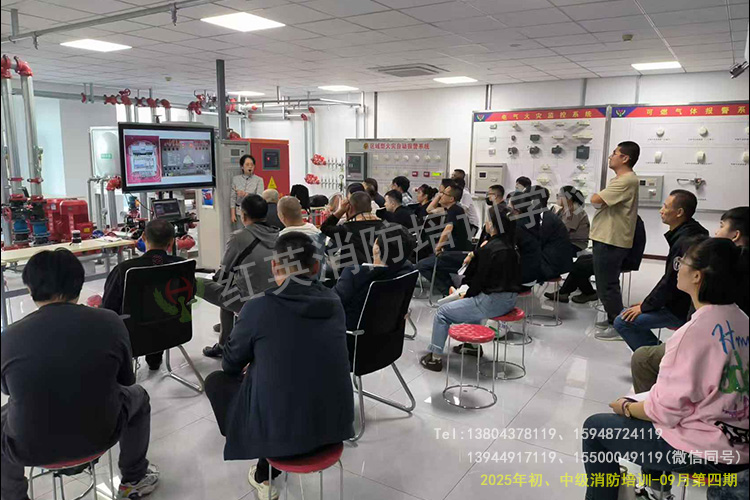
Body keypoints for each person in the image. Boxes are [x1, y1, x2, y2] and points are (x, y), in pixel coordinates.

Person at [582, 238, 749, 500]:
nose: (677, 268)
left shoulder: (692, 334)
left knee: (595, 429)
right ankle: (656, 489)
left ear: (697, 276)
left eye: (682, 263)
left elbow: (664, 412)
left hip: (709, 452)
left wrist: (626, 407)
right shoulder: (742, 320)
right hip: (739, 440)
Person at [204, 233, 354, 500]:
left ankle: (259, 460)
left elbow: (230, 364)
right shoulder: (334, 302)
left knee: (217, 380)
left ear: (274, 266)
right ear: (316, 267)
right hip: (336, 427)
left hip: (280, 437)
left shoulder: (258, 307)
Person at [1, 249, 159, 500]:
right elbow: (125, 381)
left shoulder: (9, 337)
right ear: (79, 284)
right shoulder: (110, 322)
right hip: (102, 435)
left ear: (30, 289)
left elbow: (9, 391)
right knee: (138, 396)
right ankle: (134, 478)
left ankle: (13, 496)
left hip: (28, 450)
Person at [630, 206, 750, 394]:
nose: (716, 232)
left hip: (705, 344)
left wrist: (627, 406)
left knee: (642, 357)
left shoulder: (720, 271)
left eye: (721, 226)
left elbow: (668, 406)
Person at [420, 206, 522, 371]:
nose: (486, 224)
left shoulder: (490, 249)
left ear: (493, 225)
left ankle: (435, 357)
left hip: (490, 301)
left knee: (442, 313)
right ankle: (472, 347)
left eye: (488, 221)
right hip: (509, 300)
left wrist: (464, 294)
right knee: (471, 305)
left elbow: (478, 282)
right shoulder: (512, 246)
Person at [613, 190, 708, 349]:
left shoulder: (685, 242)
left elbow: (670, 283)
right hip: (681, 302)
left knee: (623, 322)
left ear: (679, 212)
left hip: (681, 309)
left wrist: (646, 306)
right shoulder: (693, 232)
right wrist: (649, 303)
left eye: (665, 206)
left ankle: (657, 358)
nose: (661, 210)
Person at [202, 194, 280, 358]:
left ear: (243, 215)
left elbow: (223, 273)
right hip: (277, 299)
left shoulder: (239, 237)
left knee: (197, 283)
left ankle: (224, 345)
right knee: (231, 286)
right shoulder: (278, 235)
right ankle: (228, 332)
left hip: (251, 302)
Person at [101, 219, 183, 370]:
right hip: (174, 330)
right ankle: (154, 359)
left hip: (132, 336)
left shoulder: (124, 269)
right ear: (172, 242)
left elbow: (108, 308)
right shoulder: (182, 265)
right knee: (157, 308)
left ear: (143, 237)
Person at [590, 141, 641, 335]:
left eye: (614, 153)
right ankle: (614, 318)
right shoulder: (621, 180)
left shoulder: (626, 180)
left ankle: (619, 327)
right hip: (607, 237)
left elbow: (596, 200)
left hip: (611, 240)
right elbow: (600, 202)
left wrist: (598, 199)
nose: (611, 156)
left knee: (607, 285)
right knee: (605, 283)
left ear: (625, 158)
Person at [334, 225, 416, 330]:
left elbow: (332, 303)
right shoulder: (407, 270)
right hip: (388, 332)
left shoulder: (354, 275)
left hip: (351, 332)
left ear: (377, 249)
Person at [417, 184, 473, 296]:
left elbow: (448, 229)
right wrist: (439, 196)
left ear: (451, 199)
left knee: (422, 265)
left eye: (444, 194)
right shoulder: (451, 209)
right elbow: (429, 209)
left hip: (456, 254)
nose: (441, 195)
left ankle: (447, 291)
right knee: (432, 264)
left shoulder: (455, 211)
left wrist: (438, 247)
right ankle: (451, 289)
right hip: (452, 252)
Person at [545, 186, 591, 303]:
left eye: (559, 196)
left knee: (550, 252)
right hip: (566, 241)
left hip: (575, 243)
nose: (557, 198)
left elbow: (564, 231)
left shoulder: (575, 210)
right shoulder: (564, 209)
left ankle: (554, 279)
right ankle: (567, 290)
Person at [321, 191, 384, 272]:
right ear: (370, 208)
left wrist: (341, 211)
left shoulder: (347, 229)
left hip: (351, 275)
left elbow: (325, 227)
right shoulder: (384, 226)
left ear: (350, 208)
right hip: (378, 274)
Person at [532, 186, 574, 282]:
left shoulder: (547, 218)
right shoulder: (543, 215)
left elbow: (539, 242)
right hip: (549, 259)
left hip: (551, 264)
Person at [508, 190, 542, 286]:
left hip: (524, 277)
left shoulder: (517, 227)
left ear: (516, 210)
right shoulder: (531, 221)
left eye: (509, 206)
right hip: (534, 272)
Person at [231, 154, 264, 230]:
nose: (250, 167)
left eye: (252, 165)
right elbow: (232, 198)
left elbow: (259, 197)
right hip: (239, 212)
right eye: (247, 164)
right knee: (240, 232)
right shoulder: (235, 179)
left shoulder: (259, 180)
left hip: (253, 213)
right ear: (242, 167)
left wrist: (245, 194)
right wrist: (232, 214)